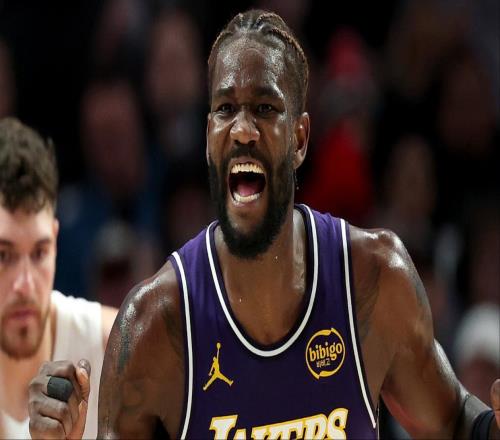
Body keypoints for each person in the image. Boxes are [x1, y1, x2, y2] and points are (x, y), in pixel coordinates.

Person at [29, 9, 499, 439]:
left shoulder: (374, 279)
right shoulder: (155, 326)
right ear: (208, 137)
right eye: (225, 109)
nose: (242, 129)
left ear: (300, 139)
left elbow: (456, 423)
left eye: (265, 108)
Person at [0, 117, 117, 439]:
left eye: (39, 252)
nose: (25, 285)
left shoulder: (115, 348)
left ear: (54, 239)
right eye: (4, 256)